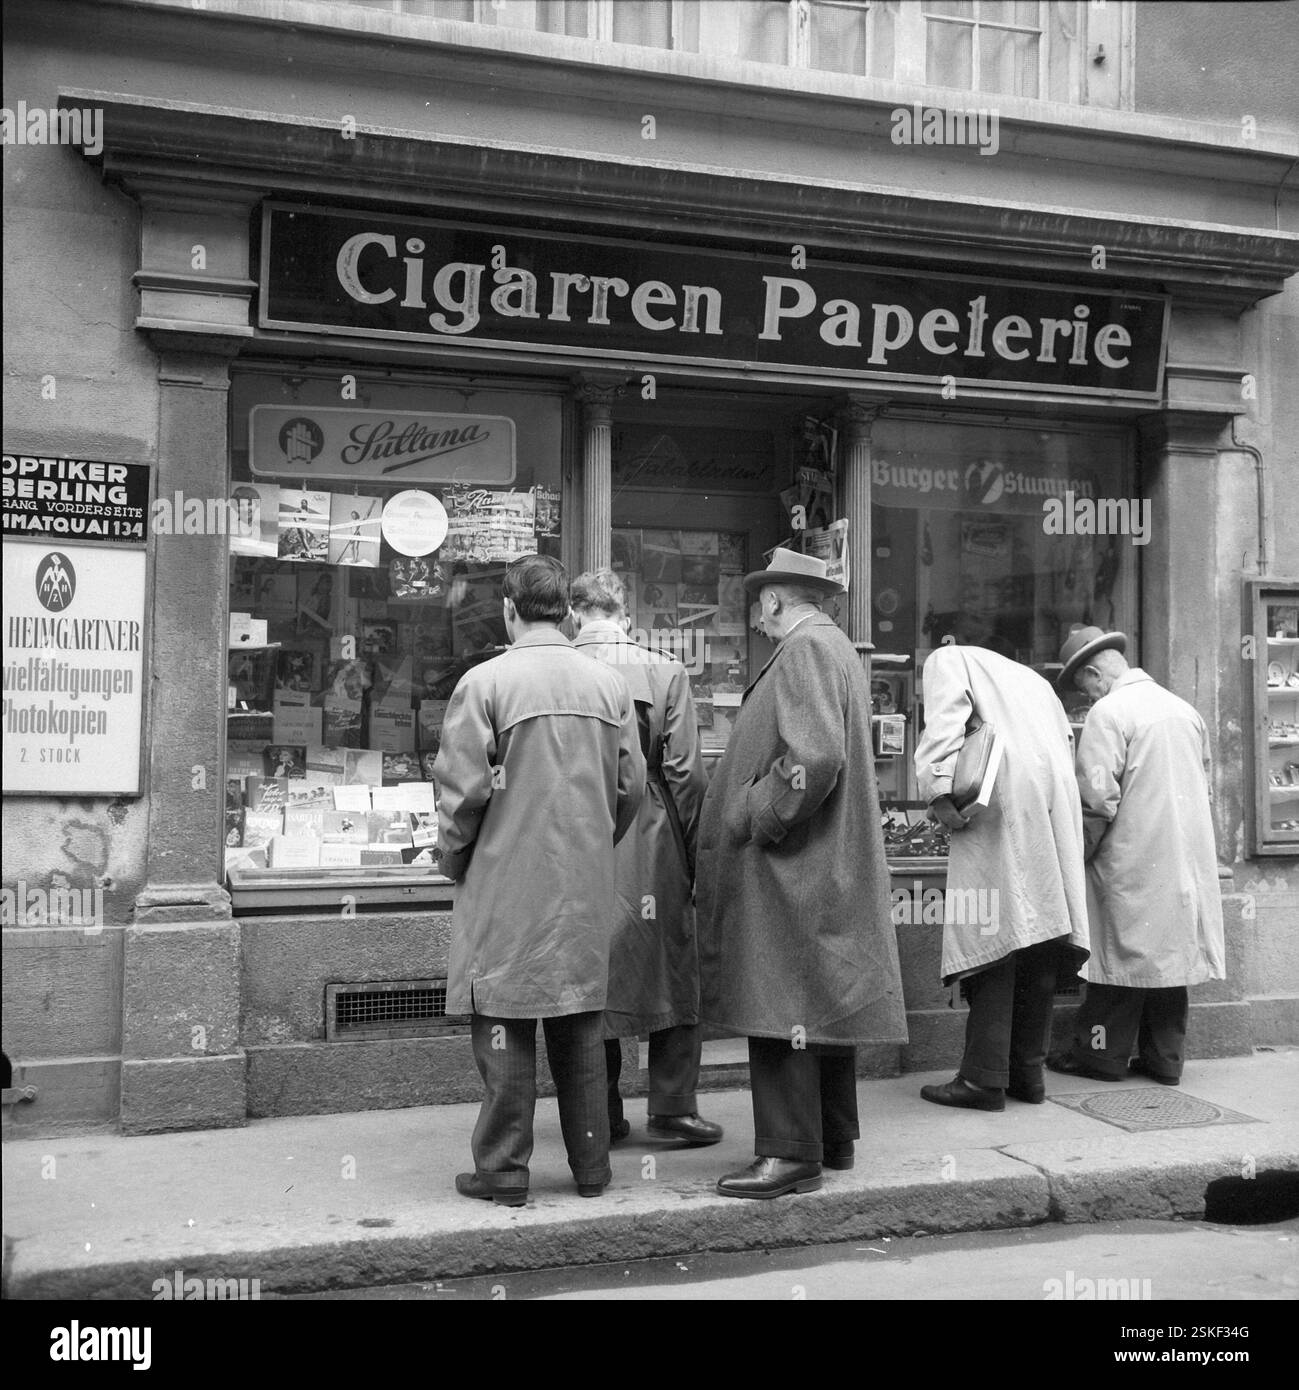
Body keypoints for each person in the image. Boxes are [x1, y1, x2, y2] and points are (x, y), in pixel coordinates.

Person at [695, 549, 907, 1199]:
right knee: (816, 997)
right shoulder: (830, 646)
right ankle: (831, 1137)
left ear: (776, 601)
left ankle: (790, 1154)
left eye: (759, 602)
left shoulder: (805, 649)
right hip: (814, 860)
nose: (755, 617)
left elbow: (811, 760)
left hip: (794, 863)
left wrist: (753, 814)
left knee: (780, 996)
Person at [434, 555, 645, 1206]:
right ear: (569, 612)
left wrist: (453, 858)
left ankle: (503, 1172)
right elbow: (630, 787)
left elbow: (462, 796)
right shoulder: (607, 686)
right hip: (581, 880)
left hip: (503, 881)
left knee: (504, 1020)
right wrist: (590, 843)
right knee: (580, 1020)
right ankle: (592, 1170)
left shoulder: (485, 684)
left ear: (508, 609)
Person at [570, 570, 723, 1148]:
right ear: (624, 615)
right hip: (651, 830)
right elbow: (686, 773)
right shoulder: (664, 669)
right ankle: (674, 1108)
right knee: (672, 965)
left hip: (579, 831)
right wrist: (694, 853)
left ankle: (599, 1112)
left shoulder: (556, 668)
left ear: (573, 615)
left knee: (592, 969)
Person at [915, 617, 1089, 1111]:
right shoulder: (1035, 681)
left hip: (998, 802)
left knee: (992, 933)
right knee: (1038, 934)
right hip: (1052, 803)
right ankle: (1026, 1075)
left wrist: (939, 794)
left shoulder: (949, 659)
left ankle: (982, 1079)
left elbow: (944, 730)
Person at [1046, 626, 1226, 1085]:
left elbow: (1097, 799)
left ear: (1093, 673)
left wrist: (1079, 855)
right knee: (1169, 965)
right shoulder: (1183, 709)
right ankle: (1166, 1061)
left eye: (1083, 687)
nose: (1085, 697)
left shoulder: (1110, 712)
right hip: (1182, 858)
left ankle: (1099, 1055)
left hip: (1130, 856)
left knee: (1115, 965)